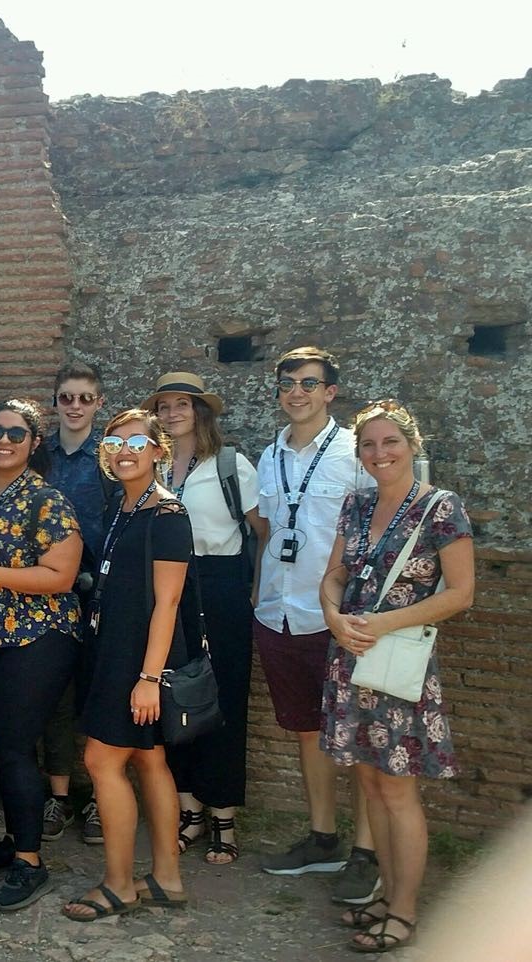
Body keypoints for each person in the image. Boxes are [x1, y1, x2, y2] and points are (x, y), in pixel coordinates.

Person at [319, 401, 474, 953]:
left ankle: (405, 911)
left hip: (397, 663)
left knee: (398, 791)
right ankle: (384, 896)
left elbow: (460, 594)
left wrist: (379, 623)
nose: (380, 453)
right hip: (351, 657)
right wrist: (334, 616)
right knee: (369, 783)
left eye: (391, 443)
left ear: (413, 446)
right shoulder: (356, 504)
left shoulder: (440, 508)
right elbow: (334, 574)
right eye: (368, 445)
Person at [254, 347, 378, 904]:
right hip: (279, 613)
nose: (296, 392)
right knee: (309, 730)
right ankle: (323, 838)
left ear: (330, 392)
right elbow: (266, 529)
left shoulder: (356, 454)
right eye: (288, 383)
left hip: (341, 618)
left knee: (355, 736)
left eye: (309, 383)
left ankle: (367, 853)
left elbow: (381, 533)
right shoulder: (268, 453)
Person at [0, 399, 83, 911]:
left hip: (37, 638)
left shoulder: (46, 499)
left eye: (16, 433)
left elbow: (61, 576)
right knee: (7, 742)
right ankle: (15, 836)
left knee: (16, 745)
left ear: (32, 443)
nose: (3, 441)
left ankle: (30, 861)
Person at [63, 409, 189, 921]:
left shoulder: (167, 514)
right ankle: (166, 878)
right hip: (116, 649)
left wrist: (148, 678)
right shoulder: (124, 505)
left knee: (101, 761)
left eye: (138, 441)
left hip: (139, 661)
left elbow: (169, 603)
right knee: (149, 760)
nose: (126, 450)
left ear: (159, 450)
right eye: (115, 443)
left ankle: (119, 885)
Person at [145, 372, 265, 865]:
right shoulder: (153, 464)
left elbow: (261, 530)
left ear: (200, 411)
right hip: (165, 589)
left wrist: (254, 590)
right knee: (174, 696)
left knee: (223, 700)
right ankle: (188, 811)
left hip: (220, 589)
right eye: (165, 406)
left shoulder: (232, 465)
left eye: (182, 405)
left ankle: (223, 818)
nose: (173, 414)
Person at [41, 361, 112, 844]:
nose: (75, 406)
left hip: (104, 593)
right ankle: (59, 797)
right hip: (49, 591)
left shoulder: (111, 456)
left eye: (84, 398)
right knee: (57, 698)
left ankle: (102, 801)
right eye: (67, 397)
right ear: (56, 403)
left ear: (98, 403)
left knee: (104, 695)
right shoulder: (40, 455)